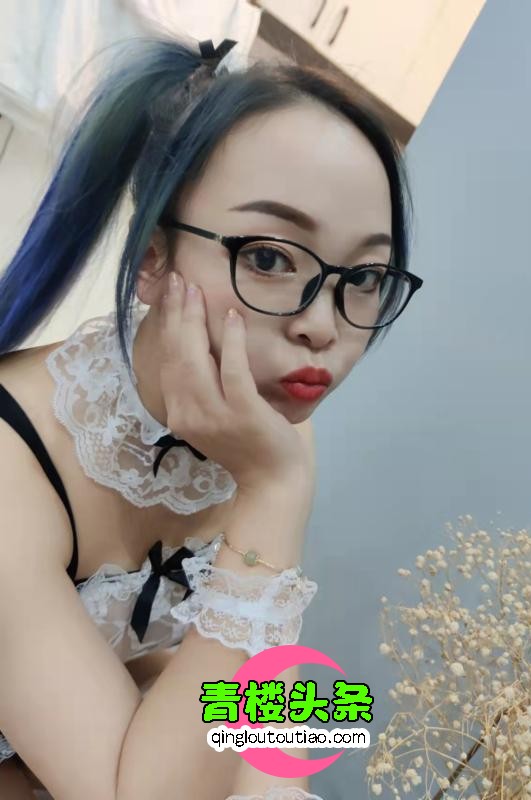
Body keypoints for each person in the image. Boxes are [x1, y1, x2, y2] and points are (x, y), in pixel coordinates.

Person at [0, 33, 421, 800]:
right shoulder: (11, 460)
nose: (322, 326)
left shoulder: (266, 429)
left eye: (364, 276)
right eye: (269, 257)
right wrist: (274, 498)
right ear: (153, 257)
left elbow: (256, 711)